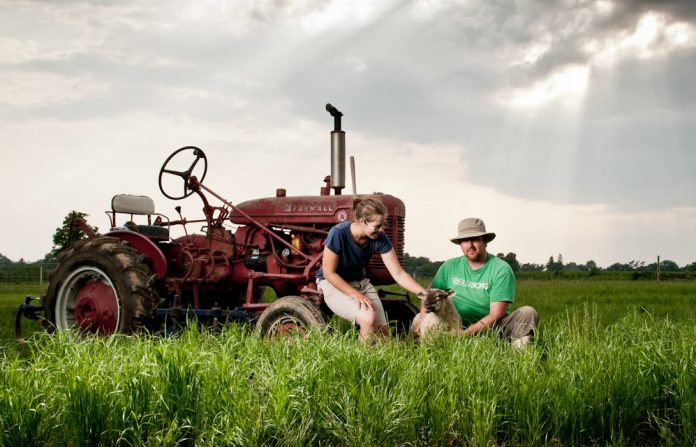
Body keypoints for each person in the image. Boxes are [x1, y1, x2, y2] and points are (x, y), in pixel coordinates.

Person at [414, 217, 538, 349]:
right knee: (418, 319)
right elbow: (430, 293)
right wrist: (423, 318)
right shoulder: (449, 266)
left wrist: (465, 334)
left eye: (475, 239)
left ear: (484, 241)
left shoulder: (501, 269)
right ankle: (419, 350)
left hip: (492, 328)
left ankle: (517, 352)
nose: (470, 245)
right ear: (460, 244)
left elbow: (496, 314)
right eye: (465, 241)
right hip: (454, 323)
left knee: (528, 312)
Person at [316, 197, 427, 343]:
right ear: (362, 221)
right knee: (368, 318)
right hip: (332, 283)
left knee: (383, 335)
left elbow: (398, 274)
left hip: (360, 282)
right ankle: (359, 364)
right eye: (377, 226)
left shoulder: (379, 238)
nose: (382, 230)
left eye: (384, 225)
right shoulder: (338, 233)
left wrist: (424, 294)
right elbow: (329, 273)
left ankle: (377, 362)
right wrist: (356, 295)